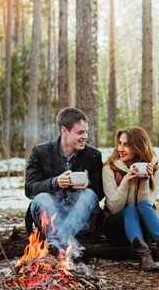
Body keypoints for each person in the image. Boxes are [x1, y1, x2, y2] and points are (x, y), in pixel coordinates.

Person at [25, 107, 104, 256]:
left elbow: (100, 194)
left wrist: (89, 184)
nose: (85, 136)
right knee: (42, 197)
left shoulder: (93, 155)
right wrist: (55, 182)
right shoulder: (41, 152)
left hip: (81, 219)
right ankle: (66, 242)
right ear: (64, 131)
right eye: (80, 132)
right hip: (50, 217)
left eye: (86, 132)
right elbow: (29, 189)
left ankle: (56, 242)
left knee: (88, 194)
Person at [102, 126, 159, 271]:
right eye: (120, 143)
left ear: (139, 147)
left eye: (127, 144)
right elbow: (114, 208)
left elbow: (146, 204)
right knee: (130, 209)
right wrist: (125, 181)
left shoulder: (157, 167)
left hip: (144, 231)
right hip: (116, 229)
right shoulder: (110, 167)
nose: (121, 148)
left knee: (143, 206)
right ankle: (144, 257)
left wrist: (145, 180)